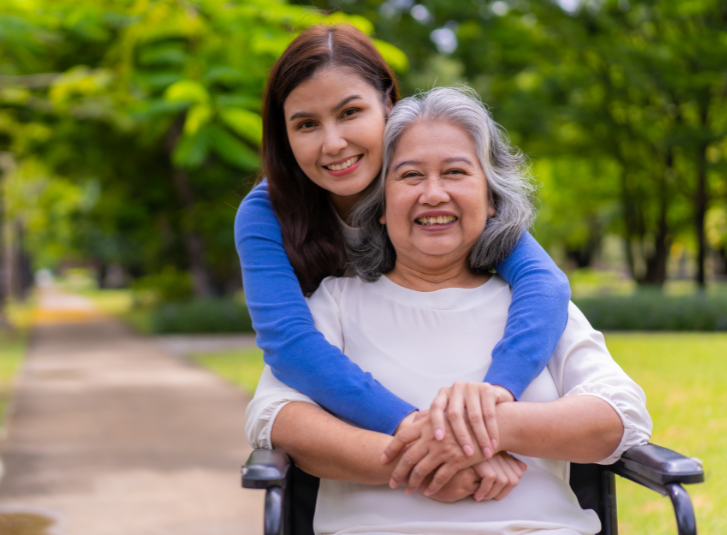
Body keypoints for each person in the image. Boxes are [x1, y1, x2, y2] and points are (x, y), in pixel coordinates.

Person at [245, 87, 652, 534]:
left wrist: (492, 424)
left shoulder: (535, 309)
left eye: (456, 172)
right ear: (380, 207)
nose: (433, 193)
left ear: (491, 197)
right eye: (410, 176)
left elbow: (621, 416)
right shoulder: (336, 303)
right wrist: (433, 463)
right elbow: (278, 416)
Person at [234, 23, 572, 475]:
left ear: (388, 106)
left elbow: (543, 282)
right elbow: (291, 346)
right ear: (285, 136)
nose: (333, 143)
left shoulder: (436, 193)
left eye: (350, 112)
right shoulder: (266, 214)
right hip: (351, 428)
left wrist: (492, 400)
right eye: (307, 124)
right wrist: (429, 436)